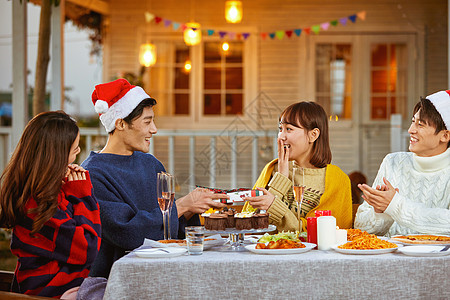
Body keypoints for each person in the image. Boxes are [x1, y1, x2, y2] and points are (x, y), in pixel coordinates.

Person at [81, 78, 226, 278]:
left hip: (165, 271)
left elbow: (172, 234)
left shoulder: (151, 165)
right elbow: (127, 232)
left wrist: (197, 208)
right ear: (120, 123)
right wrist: (182, 206)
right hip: (118, 280)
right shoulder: (92, 175)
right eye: (147, 122)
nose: (154, 129)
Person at [0, 111, 101, 298]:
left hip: (68, 285)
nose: (78, 154)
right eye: (75, 150)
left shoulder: (47, 194)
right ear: (56, 157)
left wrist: (69, 191)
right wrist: (82, 195)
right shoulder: (37, 205)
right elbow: (88, 249)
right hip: (49, 291)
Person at [244, 101, 353, 232]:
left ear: (313, 135)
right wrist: (280, 179)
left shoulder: (337, 180)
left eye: (289, 129)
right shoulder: (272, 169)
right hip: (271, 250)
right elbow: (250, 223)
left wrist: (275, 206)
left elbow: (327, 234)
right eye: (280, 129)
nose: (281, 136)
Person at [355, 91, 450, 236]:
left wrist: (395, 205)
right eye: (413, 122)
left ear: (445, 135)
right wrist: (381, 213)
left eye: (421, 125)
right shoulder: (393, 162)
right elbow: (360, 229)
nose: (411, 130)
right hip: (388, 258)